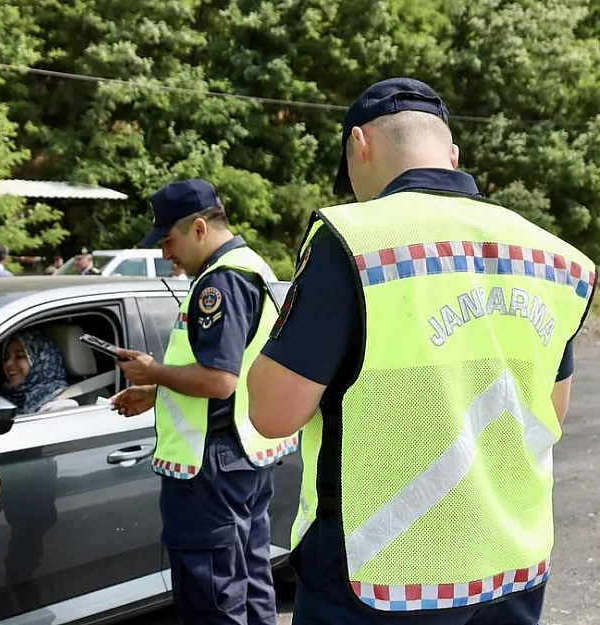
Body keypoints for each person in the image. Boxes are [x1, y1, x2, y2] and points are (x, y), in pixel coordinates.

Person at [246, 78, 595, 625]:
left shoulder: (354, 241)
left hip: (382, 580)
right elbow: (550, 412)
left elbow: (271, 415)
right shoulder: (556, 259)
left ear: (359, 144)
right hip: (511, 569)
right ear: (452, 153)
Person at [108, 179, 299, 625]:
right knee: (249, 584)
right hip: (241, 457)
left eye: (168, 241)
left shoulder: (222, 281)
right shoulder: (252, 266)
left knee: (212, 597)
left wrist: (154, 371)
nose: (165, 254)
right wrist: (156, 392)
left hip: (209, 468)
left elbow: (219, 380)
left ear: (198, 227)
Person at [0, 329, 78, 414]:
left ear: (40, 361)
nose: (8, 363)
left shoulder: (59, 406)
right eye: (6, 358)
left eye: (20, 356)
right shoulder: (3, 398)